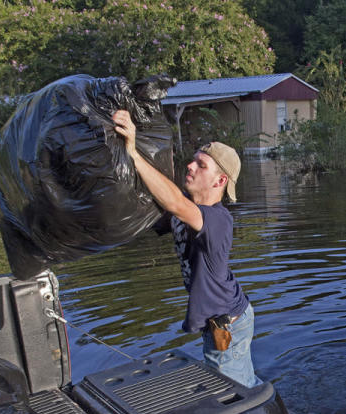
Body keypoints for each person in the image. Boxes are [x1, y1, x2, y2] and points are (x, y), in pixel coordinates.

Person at [112, 110, 261, 387]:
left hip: (229, 324)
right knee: (238, 380)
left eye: (201, 165)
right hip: (221, 320)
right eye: (193, 161)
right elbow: (149, 208)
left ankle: (260, 412)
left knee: (230, 394)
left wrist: (134, 154)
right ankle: (262, 398)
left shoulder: (217, 220)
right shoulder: (183, 211)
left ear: (220, 181)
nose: (190, 166)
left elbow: (174, 203)